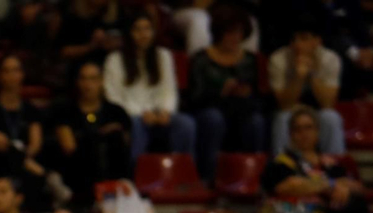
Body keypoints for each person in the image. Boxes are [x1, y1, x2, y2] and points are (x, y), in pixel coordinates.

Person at [258, 106, 368, 213]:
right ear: (291, 134)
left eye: (308, 128)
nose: (304, 133)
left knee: (356, 209)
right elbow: (287, 186)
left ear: (317, 132)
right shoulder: (280, 163)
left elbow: (356, 187)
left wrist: (341, 187)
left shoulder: (329, 164)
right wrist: (330, 184)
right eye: (298, 129)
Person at [186, 7, 266, 182]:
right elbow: (194, 98)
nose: (235, 37)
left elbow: (260, 98)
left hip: (241, 110)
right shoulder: (201, 59)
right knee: (213, 119)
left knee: (256, 121)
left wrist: (245, 94)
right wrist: (221, 92)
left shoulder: (250, 60)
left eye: (239, 33)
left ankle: (253, 177)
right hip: (210, 110)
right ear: (218, 32)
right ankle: (208, 178)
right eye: (229, 33)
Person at [105, 12, 197, 164]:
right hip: (131, 116)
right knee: (136, 124)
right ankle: (137, 171)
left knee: (186, 123)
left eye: (147, 28)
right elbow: (114, 98)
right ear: (128, 33)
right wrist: (142, 113)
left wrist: (166, 111)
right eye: (137, 29)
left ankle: (181, 169)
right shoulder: (114, 60)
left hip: (159, 114)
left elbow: (169, 90)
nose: (143, 34)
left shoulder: (163, 56)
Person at [50, 60, 132, 207]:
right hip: (78, 178)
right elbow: (69, 148)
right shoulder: (65, 111)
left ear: (101, 81)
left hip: (114, 178)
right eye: (83, 78)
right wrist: (99, 136)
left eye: (93, 79)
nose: (88, 84)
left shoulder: (116, 112)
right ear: (77, 82)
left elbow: (126, 146)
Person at [0, 53, 47, 205]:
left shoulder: (31, 111)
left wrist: (15, 152)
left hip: (22, 167)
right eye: (6, 71)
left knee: (26, 168)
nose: (11, 75)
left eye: (16, 70)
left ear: (22, 74)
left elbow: (35, 145)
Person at [267, 27, 346, 156]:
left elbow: (328, 103)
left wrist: (312, 73)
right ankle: (282, 165)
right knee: (282, 118)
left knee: (331, 117)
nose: (297, 44)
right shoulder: (278, 59)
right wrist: (298, 78)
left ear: (317, 41)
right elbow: (284, 105)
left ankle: (333, 164)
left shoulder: (330, 59)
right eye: (294, 40)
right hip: (291, 110)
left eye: (304, 39)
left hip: (318, 111)